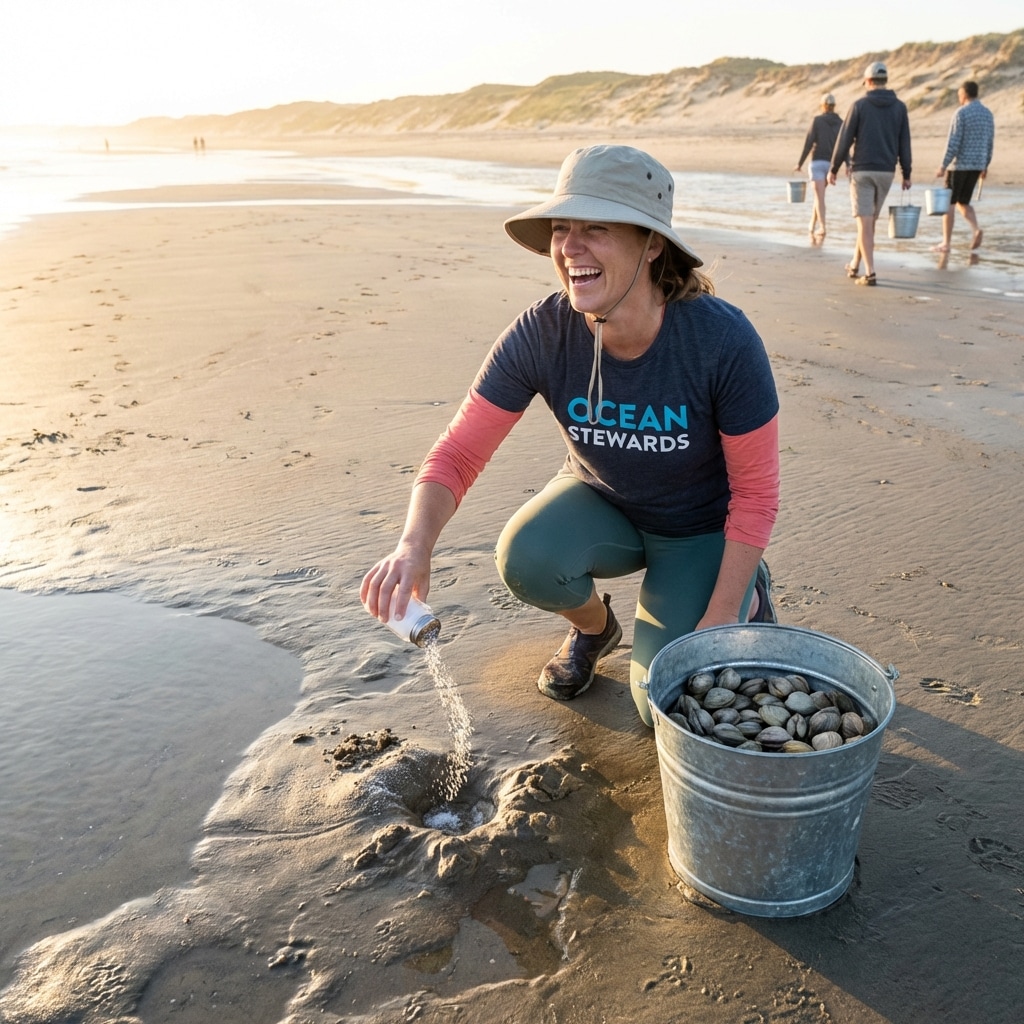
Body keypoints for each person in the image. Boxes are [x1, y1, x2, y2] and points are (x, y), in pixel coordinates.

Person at [361, 145, 780, 727]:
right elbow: (458, 452)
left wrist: (717, 618)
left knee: (666, 700)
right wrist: (414, 545)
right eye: (561, 228)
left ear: (652, 243)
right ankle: (595, 629)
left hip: (700, 529)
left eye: (596, 228)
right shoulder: (544, 331)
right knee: (527, 557)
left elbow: (757, 494)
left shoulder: (721, 342)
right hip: (602, 502)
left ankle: (747, 592)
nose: (569, 248)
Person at [829, 61, 912, 287]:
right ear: (885, 81)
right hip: (886, 171)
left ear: (867, 81)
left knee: (865, 223)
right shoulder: (900, 107)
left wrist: (834, 168)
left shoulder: (860, 105)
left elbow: (844, 138)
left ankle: (870, 272)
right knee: (868, 222)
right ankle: (855, 264)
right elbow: (905, 141)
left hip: (863, 170)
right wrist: (907, 172)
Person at [933, 80, 994, 253]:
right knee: (963, 202)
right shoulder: (987, 114)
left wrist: (943, 166)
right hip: (976, 165)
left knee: (949, 204)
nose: (959, 97)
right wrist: (985, 165)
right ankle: (976, 229)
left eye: (959, 94)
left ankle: (946, 243)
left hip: (958, 166)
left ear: (965, 94)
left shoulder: (961, 113)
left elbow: (953, 142)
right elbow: (990, 142)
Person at [794, 93, 843, 238]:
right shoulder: (840, 122)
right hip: (832, 165)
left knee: (819, 197)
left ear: (822, 105)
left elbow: (808, 144)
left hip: (817, 163)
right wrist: (847, 162)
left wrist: (800, 163)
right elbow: (843, 145)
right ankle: (812, 223)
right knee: (819, 196)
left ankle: (822, 227)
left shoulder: (817, 121)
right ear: (834, 106)